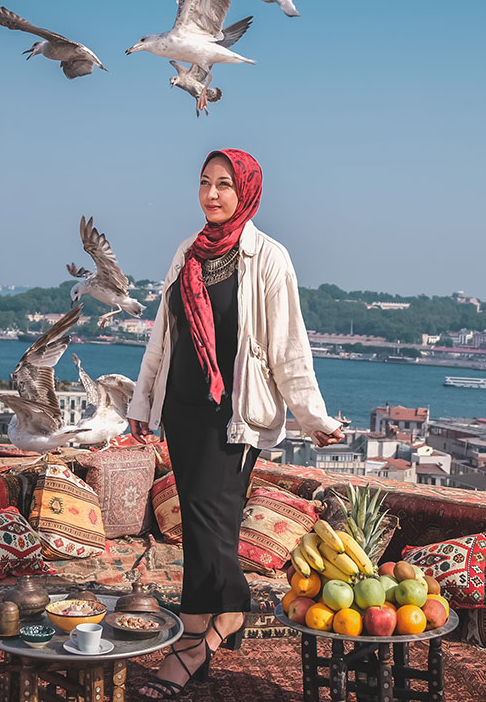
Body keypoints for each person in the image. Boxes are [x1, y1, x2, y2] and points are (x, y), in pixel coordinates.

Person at [127, 148, 343, 700]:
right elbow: (163, 336)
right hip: (182, 409)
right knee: (199, 531)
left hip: (234, 415)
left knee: (211, 524)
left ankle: (213, 627)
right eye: (204, 183)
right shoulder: (187, 251)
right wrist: (140, 407)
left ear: (245, 190)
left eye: (224, 184)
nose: (212, 194)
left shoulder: (269, 258)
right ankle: (204, 628)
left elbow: (288, 346)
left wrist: (312, 415)